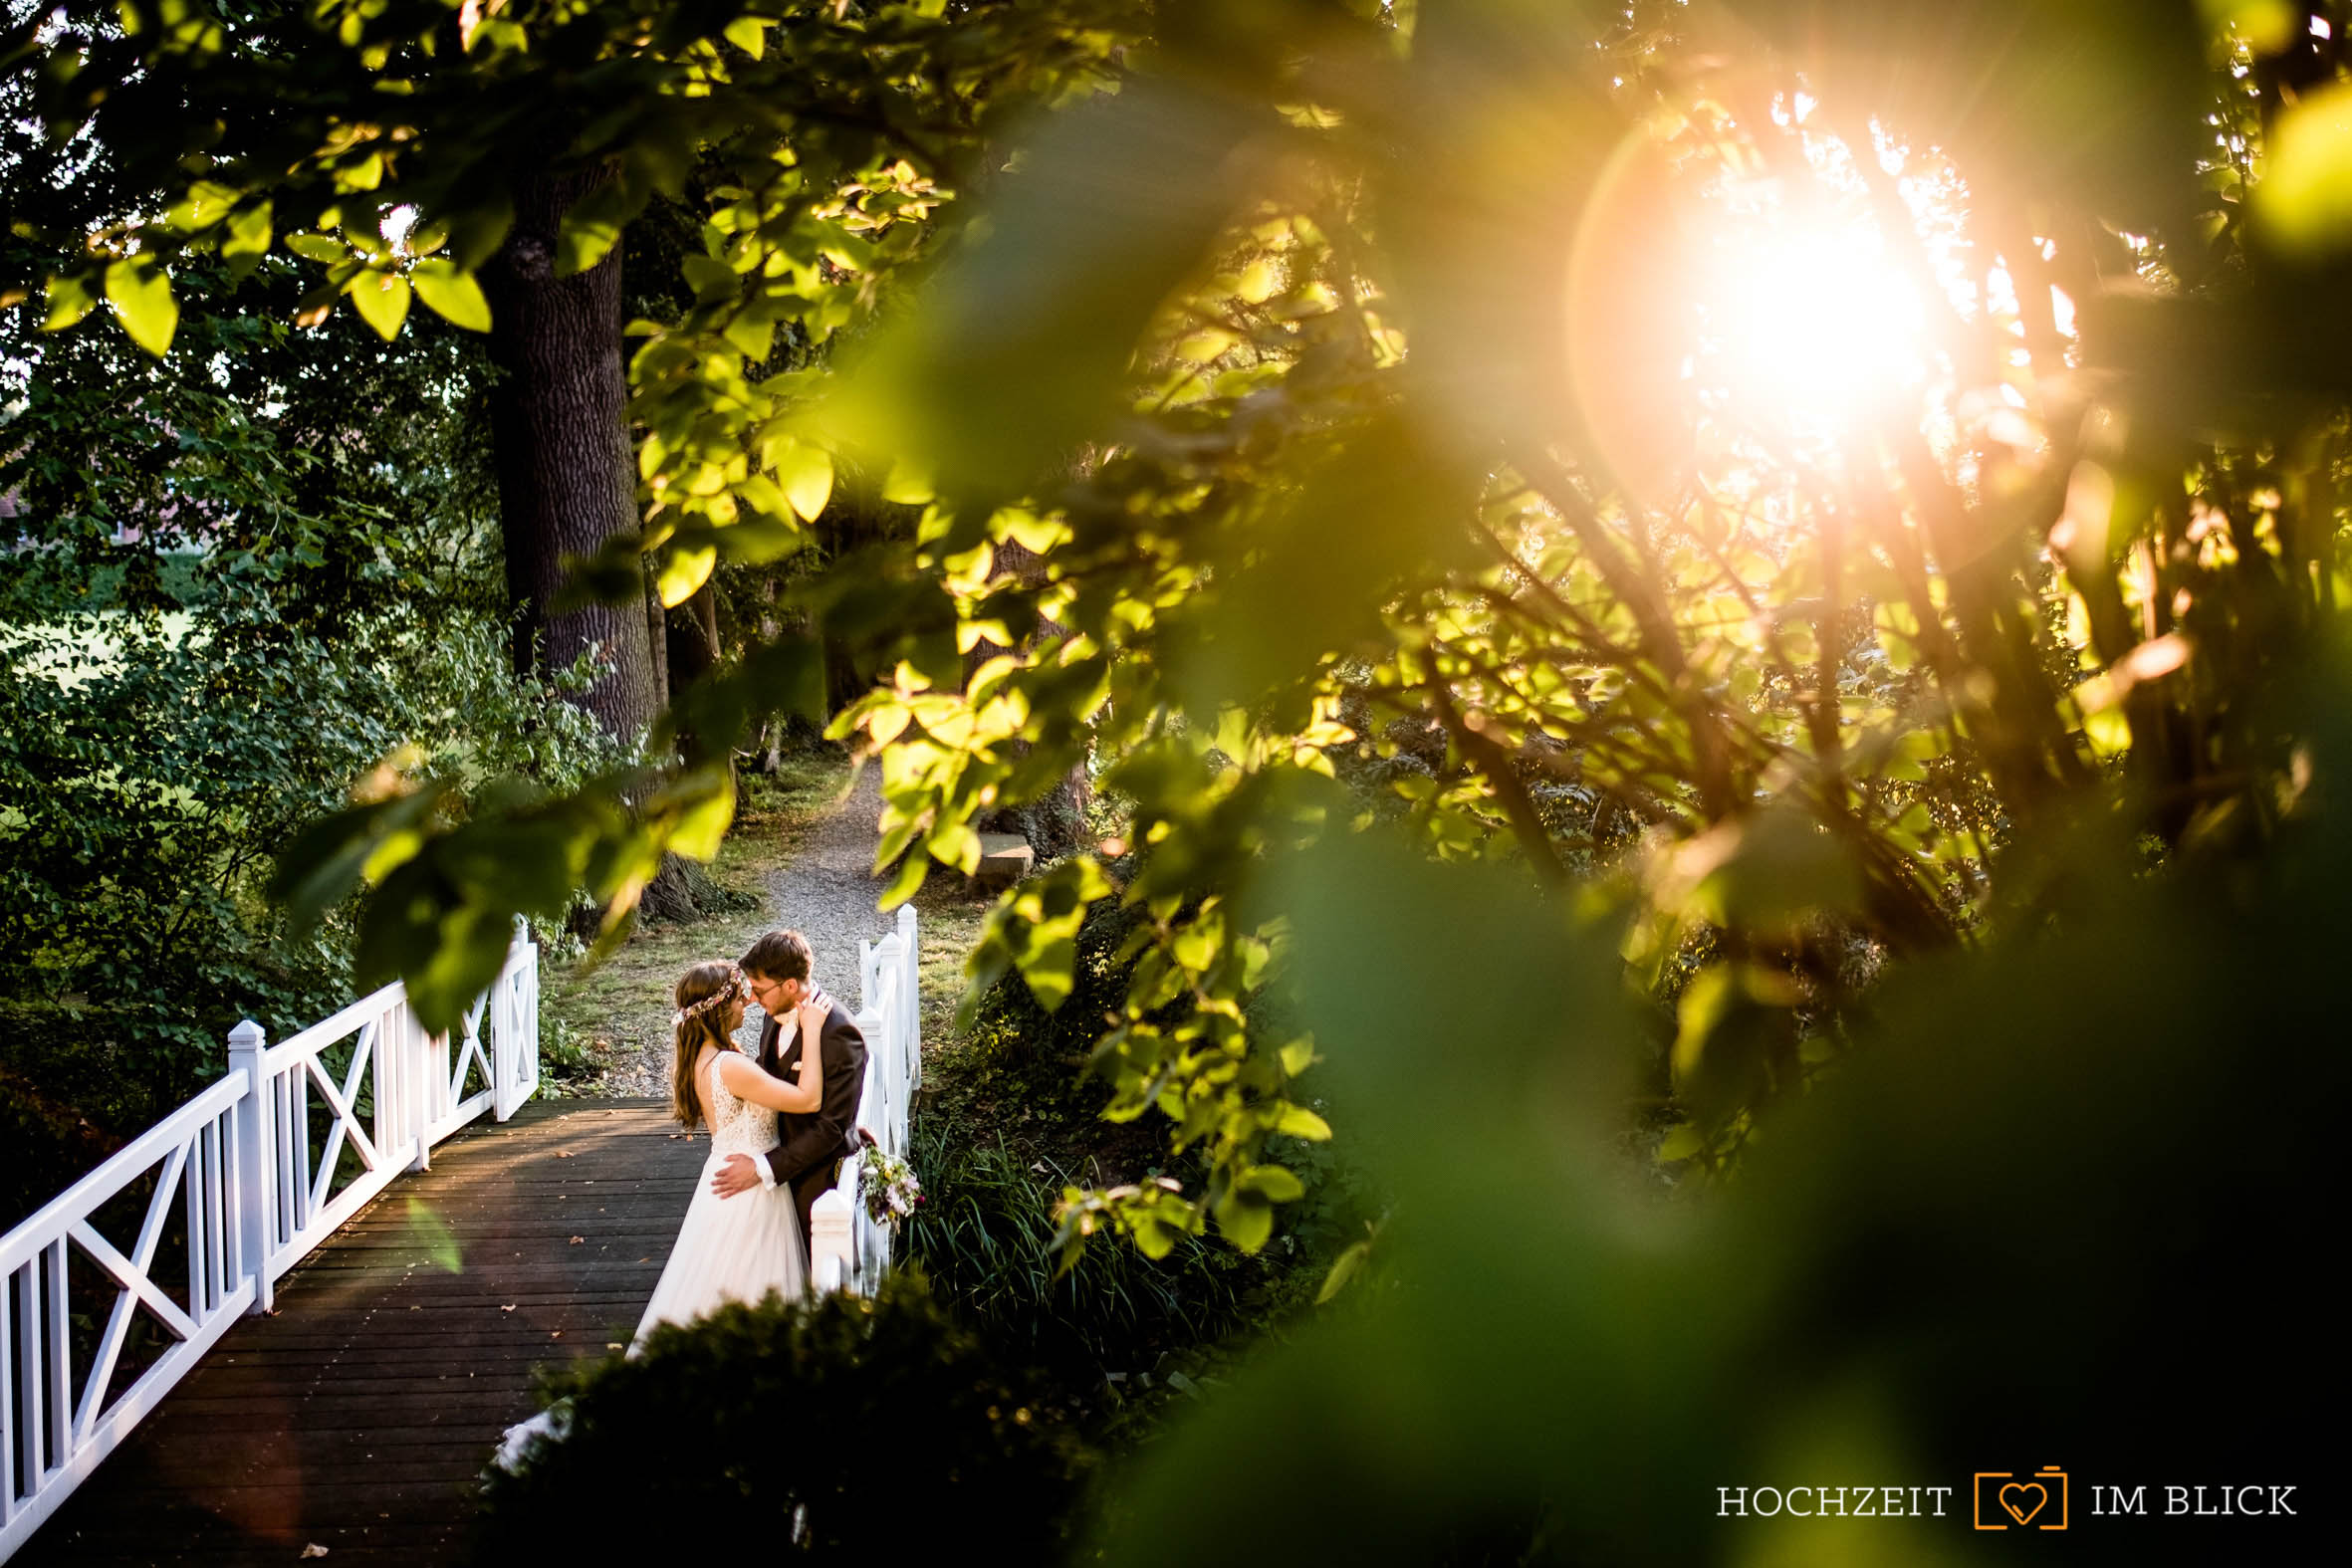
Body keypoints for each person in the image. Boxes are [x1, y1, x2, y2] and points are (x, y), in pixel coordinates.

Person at [626, 959, 829, 1350]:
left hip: (723, 1179)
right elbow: (808, 1099)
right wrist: (814, 1030)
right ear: (719, 1008)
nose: (747, 1003)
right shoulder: (731, 1066)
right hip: (751, 1192)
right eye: (739, 998)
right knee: (750, 1290)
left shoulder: (699, 1060)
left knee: (719, 1287)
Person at [709, 929, 867, 1258]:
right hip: (772, 1167)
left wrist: (762, 1168)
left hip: (815, 1182)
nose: (751, 998)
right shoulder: (773, 1014)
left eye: (758, 989)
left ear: (791, 986)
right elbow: (767, 1077)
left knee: (812, 1274)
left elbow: (830, 1129)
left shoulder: (840, 1033)